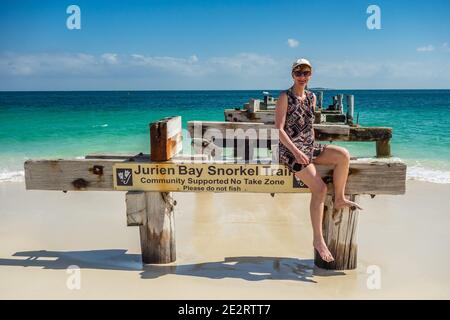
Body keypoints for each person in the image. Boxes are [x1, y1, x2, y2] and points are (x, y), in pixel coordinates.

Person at [275, 58, 363, 263]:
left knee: (342, 155)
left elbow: (308, 126)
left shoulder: (312, 97)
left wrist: (312, 148)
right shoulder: (284, 97)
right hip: (289, 151)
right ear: (292, 75)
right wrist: (296, 151)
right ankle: (318, 239)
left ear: (311, 75)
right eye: (298, 73)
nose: (302, 77)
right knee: (320, 189)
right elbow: (279, 130)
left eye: (306, 73)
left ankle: (339, 197)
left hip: (308, 148)